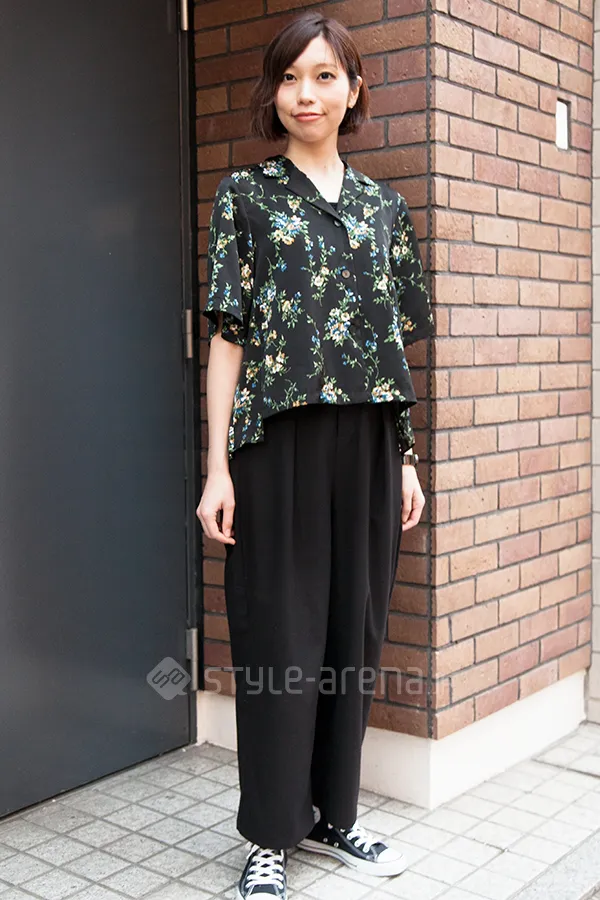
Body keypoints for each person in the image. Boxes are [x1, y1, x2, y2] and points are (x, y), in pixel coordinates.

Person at [196, 12, 434, 899]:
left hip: (368, 444)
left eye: (325, 76)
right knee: (278, 635)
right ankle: (270, 834)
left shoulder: (384, 209)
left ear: (353, 89)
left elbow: (390, 345)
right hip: (277, 444)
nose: (307, 94)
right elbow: (228, 340)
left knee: (351, 635)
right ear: (275, 90)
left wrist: (404, 456)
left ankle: (336, 816)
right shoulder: (246, 196)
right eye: (292, 76)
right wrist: (217, 468)